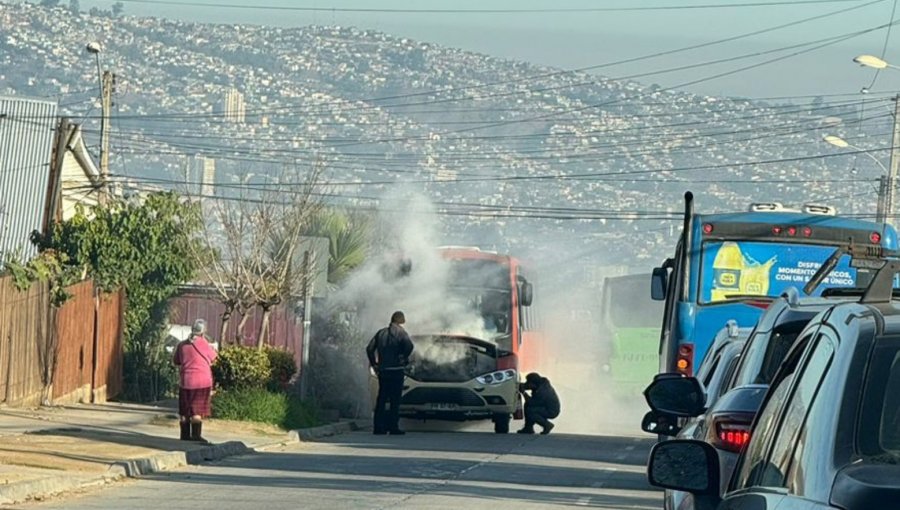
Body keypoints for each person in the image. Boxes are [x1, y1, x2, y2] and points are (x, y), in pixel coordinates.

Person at [366, 311, 414, 435]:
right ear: (401, 321)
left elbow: (369, 348)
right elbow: (409, 346)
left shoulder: (381, 333)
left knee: (381, 399)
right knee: (395, 400)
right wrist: (403, 357)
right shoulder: (401, 333)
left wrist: (374, 364)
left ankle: (378, 427)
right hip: (397, 371)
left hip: (383, 371)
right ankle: (393, 427)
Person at [173, 319, 218, 442]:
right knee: (197, 410)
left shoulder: (182, 345)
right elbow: (214, 358)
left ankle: (185, 436)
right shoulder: (204, 344)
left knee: (185, 410)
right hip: (202, 382)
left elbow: (176, 361)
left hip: (185, 381)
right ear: (203, 332)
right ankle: (196, 436)